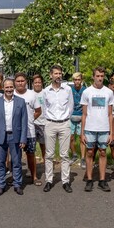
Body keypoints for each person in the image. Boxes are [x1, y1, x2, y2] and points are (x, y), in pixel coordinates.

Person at [0, 78, 28, 196]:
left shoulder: (21, 102)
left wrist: (23, 138)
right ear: (3, 88)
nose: (9, 89)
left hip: (15, 136)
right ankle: (1, 185)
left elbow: (24, 122)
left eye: (11, 87)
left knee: (16, 162)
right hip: (1, 137)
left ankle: (17, 184)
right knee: (0, 163)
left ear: (14, 87)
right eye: (7, 87)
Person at [80, 67, 114, 192]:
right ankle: (89, 180)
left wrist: (111, 132)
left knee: (103, 152)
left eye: (101, 76)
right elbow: (84, 114)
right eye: (97, 76)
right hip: (90, 128)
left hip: (104, 128)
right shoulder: (87, 92)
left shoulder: (109, 93)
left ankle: (102, 180)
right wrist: (82, 132)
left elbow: (110, 114)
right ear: (93, 77)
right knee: (89, 153)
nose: (100, 78)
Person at [43, 64, 74, 193]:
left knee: (65, 155)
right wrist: (49, 121)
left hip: (64, 124)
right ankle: (49, 180)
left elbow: (70, 107)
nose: (58, 76)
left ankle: (65, 181)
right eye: (56, 73)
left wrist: (65, 119)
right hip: (50, 123)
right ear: (51, 75)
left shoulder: (67, 90)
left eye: (60, 73)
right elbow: (45, 108)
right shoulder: (46, 91)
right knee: (49, 154)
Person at [14, 72, 42, 186]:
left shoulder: (31, 94)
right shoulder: (11, 93)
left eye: (22, 81)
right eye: (18, 81)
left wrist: (29, 120)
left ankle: (34, 176)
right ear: (15, 82)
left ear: (26, 82)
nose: (20, 83)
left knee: (31, 154)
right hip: (15, 131)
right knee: (16, 155)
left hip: (29, 130)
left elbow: (38, 111)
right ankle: (16, 177)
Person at [70, 72, 86, 166]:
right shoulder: (70, 90)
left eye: (78, 79)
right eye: (75, 80)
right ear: (73, 81)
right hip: (71, 116)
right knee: (71, 137)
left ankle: (83, 158)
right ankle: (74, 154)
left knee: (82, 138)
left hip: (82, 116)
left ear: (81, 80)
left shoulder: (85, 90)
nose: (77, 81)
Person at [32, 74, 47, 162]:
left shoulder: (46, 93)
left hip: (44, 123)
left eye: (39, 82)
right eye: (35, 82)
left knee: (43, 144)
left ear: (42, 83)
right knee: (32, 147)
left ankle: (45, 162)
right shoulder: (30, 93)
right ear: (33, 84)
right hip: (33, 123)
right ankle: (33, 165)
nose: (37, 84)